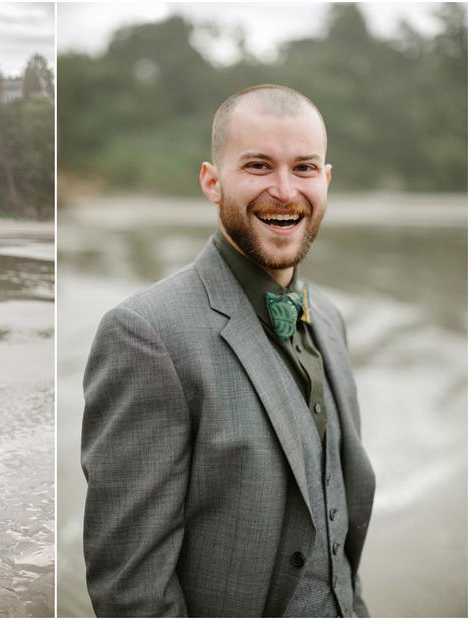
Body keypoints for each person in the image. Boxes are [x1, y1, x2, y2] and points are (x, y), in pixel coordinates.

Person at [81, 84, 375, 617]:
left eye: (304, 168)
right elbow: (130, 591)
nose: (285, 191)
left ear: (326, 180)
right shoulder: (144, 333)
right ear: (212, 182)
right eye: (259, 166)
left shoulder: (329, 318)